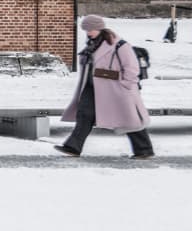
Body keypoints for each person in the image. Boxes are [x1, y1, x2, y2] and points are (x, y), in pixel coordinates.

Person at [59, 15, 154, 160]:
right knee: (84, 115)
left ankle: (144, 150)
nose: (88, 32)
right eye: (86, 29)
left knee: (129, 120)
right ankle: (73, 147)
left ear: (99, 28)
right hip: (93, 88)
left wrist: (125, 85)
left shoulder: (120, 45)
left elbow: (132, 68)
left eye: (91, 29)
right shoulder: (92, 45)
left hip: (116, 89)